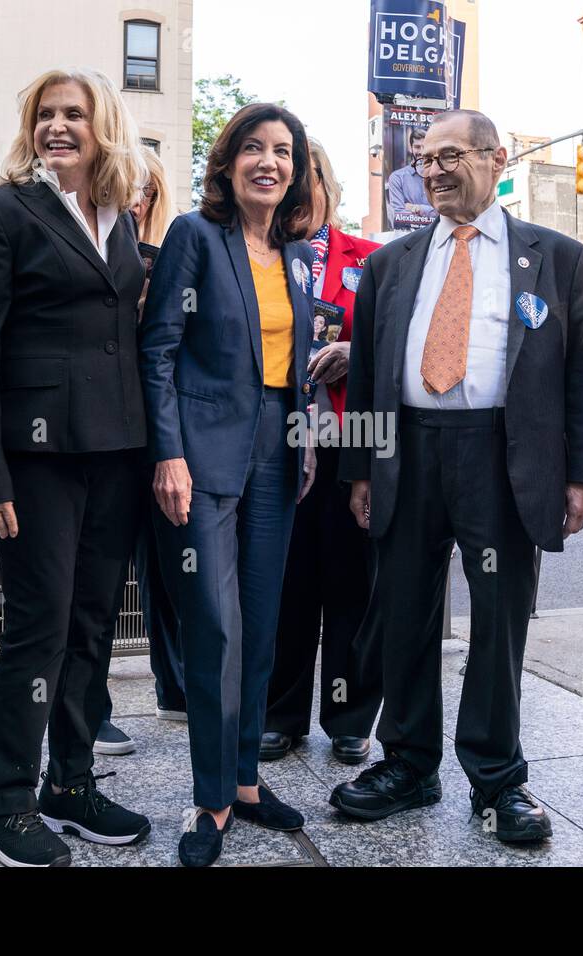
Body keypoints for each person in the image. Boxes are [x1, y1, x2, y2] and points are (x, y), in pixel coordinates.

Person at [331, 109, 583, 844]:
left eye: (449, 155)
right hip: (409, 451)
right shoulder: (390, 265)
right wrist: (360, 467)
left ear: (496, 156)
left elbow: (582, 370)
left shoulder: (556, 255)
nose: (434, 170)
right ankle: (409, 765)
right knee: (404, 615)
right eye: (424, 160)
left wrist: (581, 474)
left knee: (498, 622)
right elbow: (366, 374)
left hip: (503, 454)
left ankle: (497, 780)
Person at [0, 68, 153, 867]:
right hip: (34, 461)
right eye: (46, 114)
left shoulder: (120, 219)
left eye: (75, 114)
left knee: (94, 626)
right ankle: (5, 804)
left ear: (103, 126)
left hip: (116, 455)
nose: (59, 126)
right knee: (40, 628)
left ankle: (69, 785)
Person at [139, 102, 317, 867]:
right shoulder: (194, 237)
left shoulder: (296, 253)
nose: (268, 162)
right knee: (214, 629)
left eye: (283, 151)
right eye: (254, 148)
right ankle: (210, 797)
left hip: (278, 453)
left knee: (262, 621)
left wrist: (305, 441)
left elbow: (294, 371)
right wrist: (168, 454)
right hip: (203, 458)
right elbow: (160, 351)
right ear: (229, 162)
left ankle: (246, 780)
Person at [261, 138, 383, 766]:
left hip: (351, 437)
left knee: (352, 585)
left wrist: (357, 356)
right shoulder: (257, 255)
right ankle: (279, 714)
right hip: (275, 441)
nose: (299, 187)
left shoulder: (371, 260)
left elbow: (401, 350)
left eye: (310, 175)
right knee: (285, 584)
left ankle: (349, 716)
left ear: (327, 186)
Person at [93, 145, 184, 757]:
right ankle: (88, 709)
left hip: (168, 435)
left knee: (174, 568)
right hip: (104, 434)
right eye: (127, 187)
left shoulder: (174, 254)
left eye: (146, 190)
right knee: (98, 581)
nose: (136, 199)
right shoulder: (90, 249)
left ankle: (175, 689)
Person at [386, 126, 435, 230]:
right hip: (408, 237)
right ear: (410, 148)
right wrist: (431, 213)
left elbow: (445, 213)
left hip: (437, 236)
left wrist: (417, 208)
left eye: (424, 147)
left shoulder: (439, 175)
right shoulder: (397, 177)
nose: (421, 152)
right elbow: (398, 216)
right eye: (417, 147)